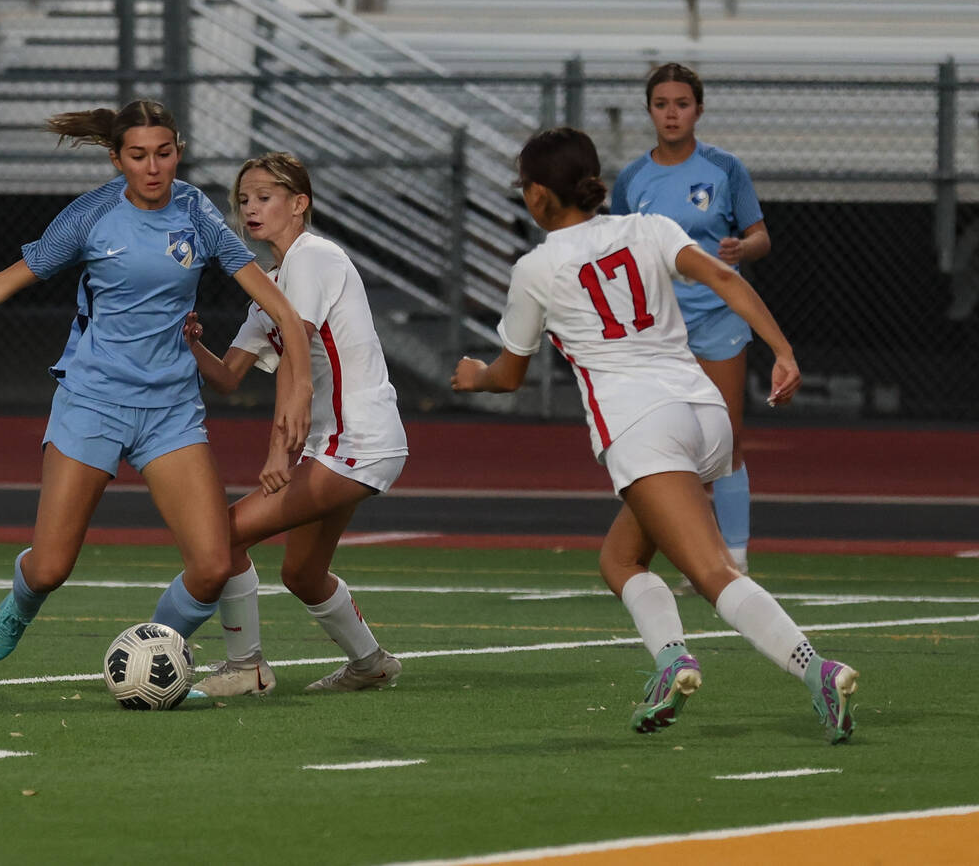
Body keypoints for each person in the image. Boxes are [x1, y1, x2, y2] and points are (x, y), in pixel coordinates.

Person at [0, 99, 312, 662]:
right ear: (116, 159)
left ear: (178, 151)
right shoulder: (90, 215)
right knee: (51, 565)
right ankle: (21, 597)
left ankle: (151, 657)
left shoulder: (197, 214)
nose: (153, 167)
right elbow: (0, 284)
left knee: (210, 568)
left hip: (170, 411)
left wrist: (298, 388)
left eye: (164, 153)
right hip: (93, 401)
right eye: (138, 156)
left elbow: (279, 308)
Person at [452, 127, 858, 743]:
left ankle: (817, 670)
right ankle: (671, 661)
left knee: (714, 573)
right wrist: (782, 350)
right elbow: (723, 278)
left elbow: (509, 376)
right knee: (619, 560)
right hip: (704, 412)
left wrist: (473, 377)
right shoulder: (647, 226)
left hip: (642, 426)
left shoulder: (535, 267)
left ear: (537, 195)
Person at [152, 151, 407, 695]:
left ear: (300, 204)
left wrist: (277, 455)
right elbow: (227, 378)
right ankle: (372, 664)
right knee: (302, 574)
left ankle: (247, 669)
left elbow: (297, 355)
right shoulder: (270, 282)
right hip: (337, 445)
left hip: (355, 440)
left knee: (221, 535)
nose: (250, 208)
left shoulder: (312, 257)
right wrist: (192, 344)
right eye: (243, 199)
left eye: (264, 197)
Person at [610, 62, 769, 586]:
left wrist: (742, 247)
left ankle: (736, 559)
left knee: (726, 441)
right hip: (658, 331)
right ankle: (691, 554)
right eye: (662, 104)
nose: (672, 113)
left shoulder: (725, 168)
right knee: (665, 444)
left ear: (699, 109)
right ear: (649, 111)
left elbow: (760, 236)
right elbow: (614, 249)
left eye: (682, 103)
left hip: (718, 321)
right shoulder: (633, 178)